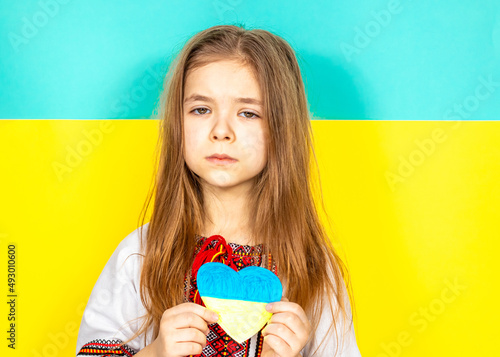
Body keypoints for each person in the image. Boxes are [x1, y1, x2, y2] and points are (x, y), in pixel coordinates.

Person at [76, 24, 363, 357]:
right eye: (201, 109)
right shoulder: (141, 254)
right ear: (177, 122)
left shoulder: (311, 268)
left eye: (248, 113)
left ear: (282, 128)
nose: (222, 131)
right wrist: (155, 353)